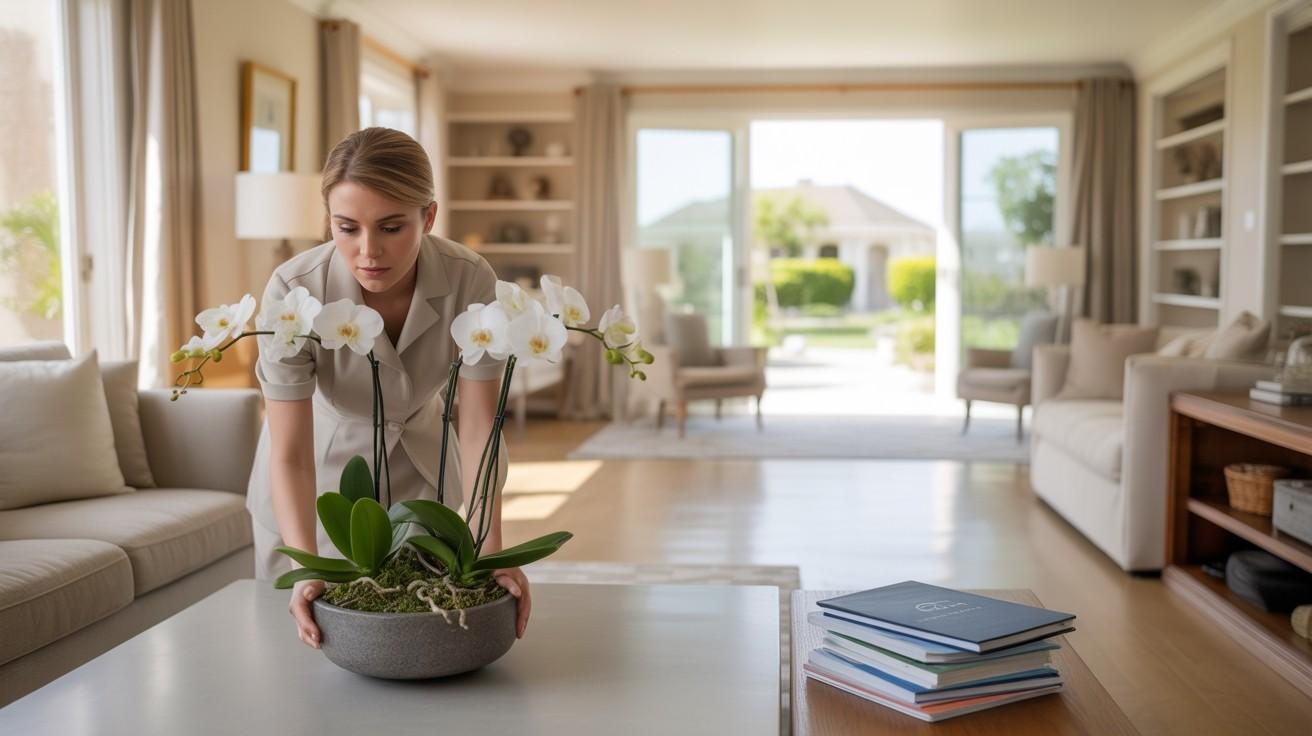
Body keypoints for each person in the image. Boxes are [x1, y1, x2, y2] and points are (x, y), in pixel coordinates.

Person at [247, 127, 530, 648]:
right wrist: (306, 560)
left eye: (392, 227)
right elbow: (289, 452)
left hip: (425, 478)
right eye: (347, 228)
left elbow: (478, 424)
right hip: (314, 490)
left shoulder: (469, 279)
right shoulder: (293, 290)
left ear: (428, 216)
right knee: (305, 661)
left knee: (426, 643)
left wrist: (488, 547)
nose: (368, 251)